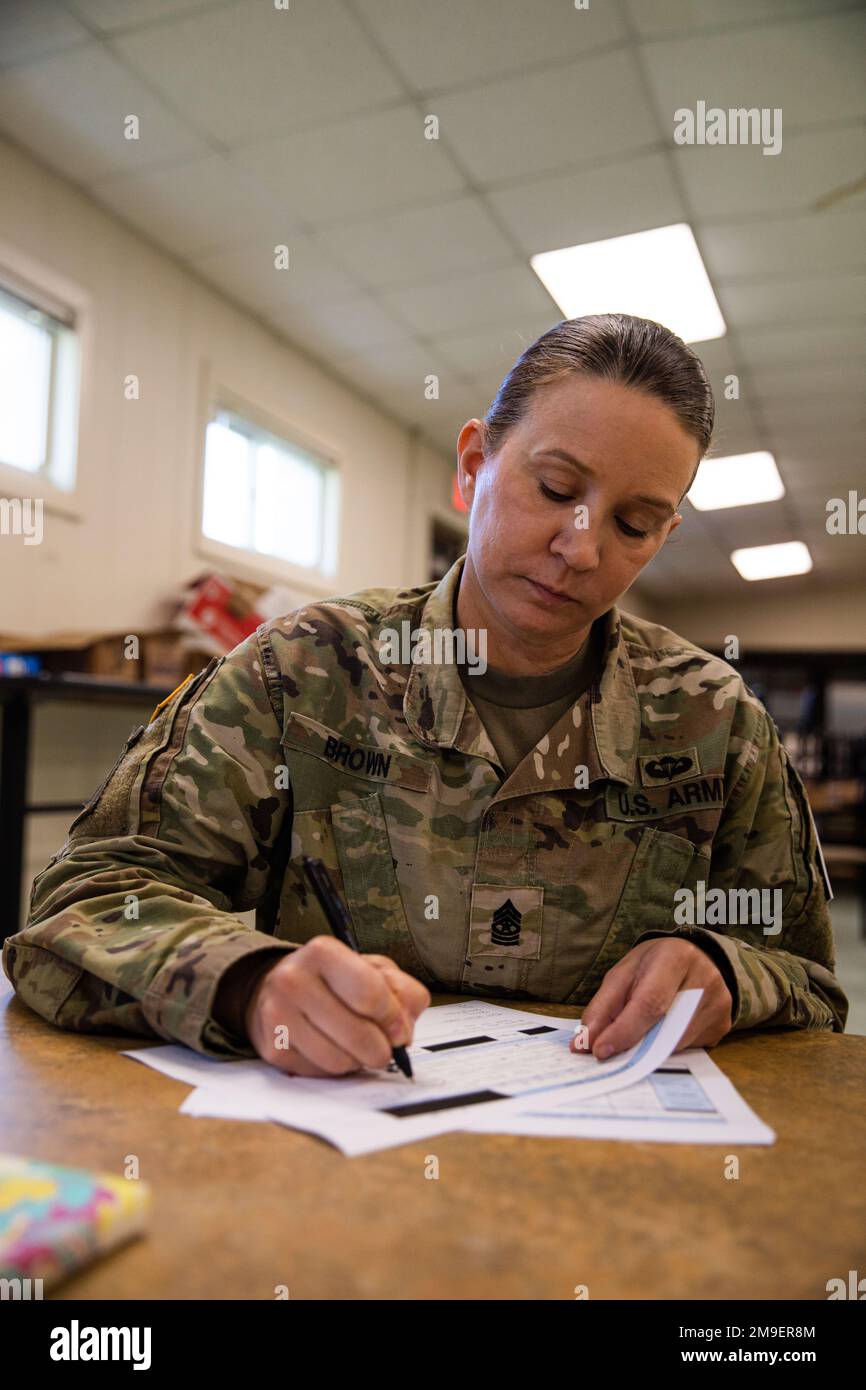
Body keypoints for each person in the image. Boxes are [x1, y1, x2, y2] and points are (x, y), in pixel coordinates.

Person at [3, 314, 847, 1078]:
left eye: (631, 524)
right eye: (555, 489)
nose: (579, 548)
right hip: (325, 1157)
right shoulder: (301, 673)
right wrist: (246, 984)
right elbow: (88, 899)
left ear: (663, 538)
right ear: (474, 465)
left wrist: (730, 973)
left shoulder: (716, 721)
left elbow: (809, 978)